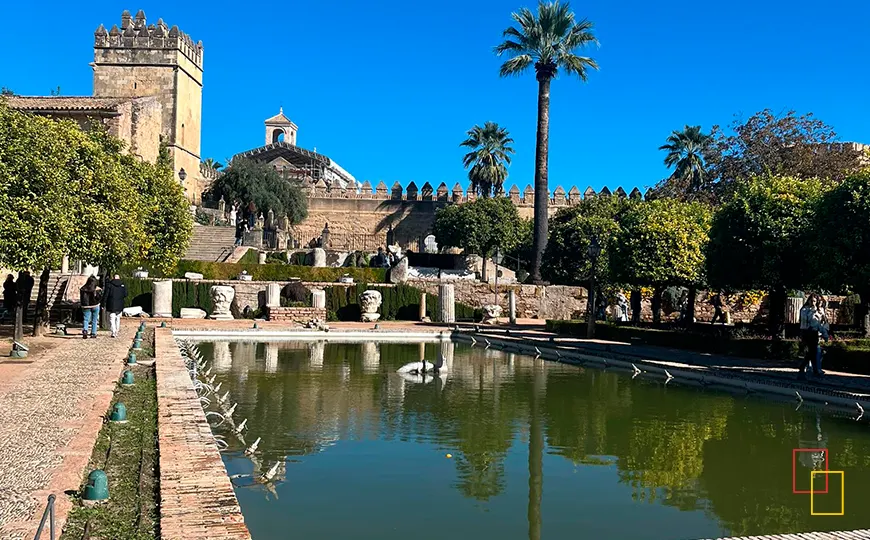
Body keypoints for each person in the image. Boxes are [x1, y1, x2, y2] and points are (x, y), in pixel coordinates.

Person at [798, 295, 822, 378]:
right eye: (811, 300)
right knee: (811, 351)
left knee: (813, 351)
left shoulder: (819, 310)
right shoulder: (804, 310)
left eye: (814, 301)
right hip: (806, 331)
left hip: (815, 332)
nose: (812, 302)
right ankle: (814, 369)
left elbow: (821, 321)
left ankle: (811, 368)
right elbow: (803, 321)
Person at [102, 274, 127, 338]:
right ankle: (117, 331)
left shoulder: (109, 285)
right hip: (120, 304)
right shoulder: (122, 285)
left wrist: (103, 303)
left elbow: (106, 295)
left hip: (111, 303)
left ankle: (113, 331)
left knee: (112, 318)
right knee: (118, 318)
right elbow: (125, 294)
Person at [816, 295, 830, 375]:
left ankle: (818, 367)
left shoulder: (823, 310)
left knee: (821, 352)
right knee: (817, 351)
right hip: (817, 333)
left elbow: (825, 322)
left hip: (823, 332)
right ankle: (816, 368)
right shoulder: (815, 310)